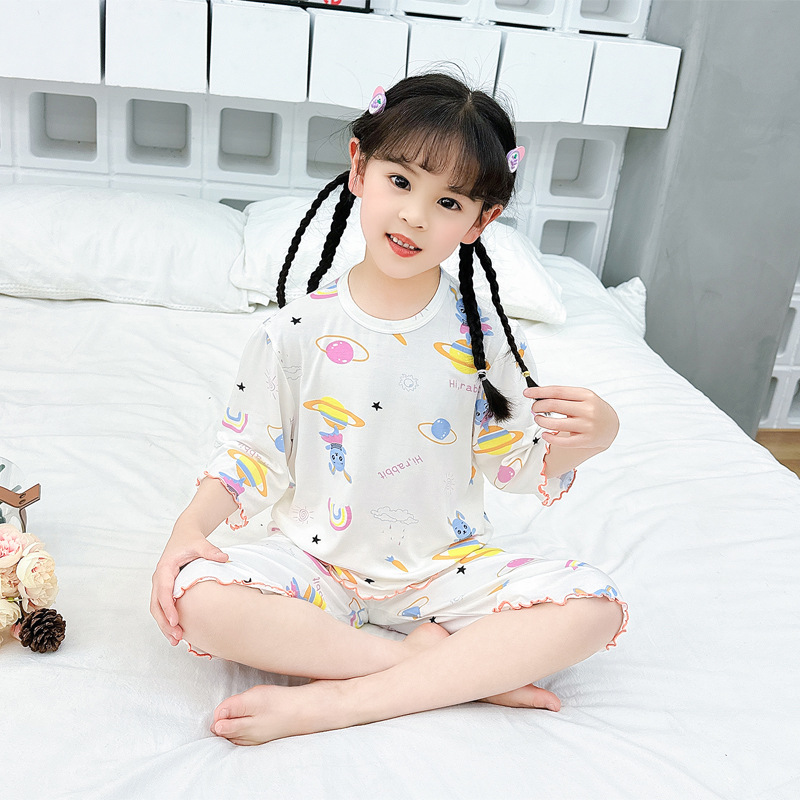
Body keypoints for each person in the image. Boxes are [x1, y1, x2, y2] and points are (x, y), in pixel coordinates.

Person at [150, 73, 628, 747]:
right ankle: (439, 670)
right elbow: (248, 456)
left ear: (481, 221)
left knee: (594, 607)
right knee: (197, 596)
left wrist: (590, 440)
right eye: (400, 181)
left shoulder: (483, 338)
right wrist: (186, 530)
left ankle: (343, 700)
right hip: (316, 562)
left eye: (448, 201)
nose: (414, 216)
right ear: (359, 167)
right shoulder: (294, 330)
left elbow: (513, 465)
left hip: (443, 568)